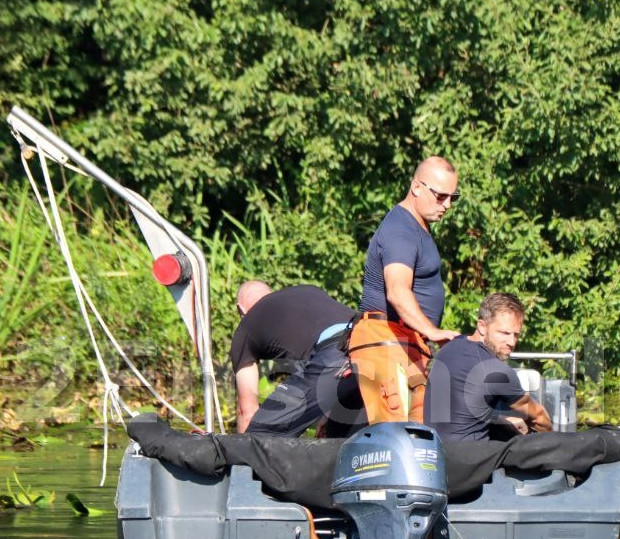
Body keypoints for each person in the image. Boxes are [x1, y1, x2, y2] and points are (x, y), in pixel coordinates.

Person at [350, 157, 462, 422]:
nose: (447, 205)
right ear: (416, 187)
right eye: (440, 196)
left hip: (405, 343)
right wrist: (433, 332)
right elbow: (397, 292)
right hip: (385, 340)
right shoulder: (401, 230)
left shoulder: (416, 226)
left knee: (417, 433)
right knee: (395, 436)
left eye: (453, 198)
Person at [230, 281, 363, 435]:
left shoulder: (246, 327)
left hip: (336, 352)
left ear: (240, 308)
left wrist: (239, 453)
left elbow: (247, 411)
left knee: (260, 435)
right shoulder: (307, 292)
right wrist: (328, 413)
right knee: (341, 438)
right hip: (374, 346)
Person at [423, 292, 552, 441]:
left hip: (436, 451)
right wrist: (553, 445)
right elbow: (539, 417)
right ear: (482, 326)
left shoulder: (450, 347)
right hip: (469, 459)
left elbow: (463, 411)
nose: (511, 341)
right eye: (504, 333)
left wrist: (505, 421)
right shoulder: (496, 371)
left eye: (516, 334)